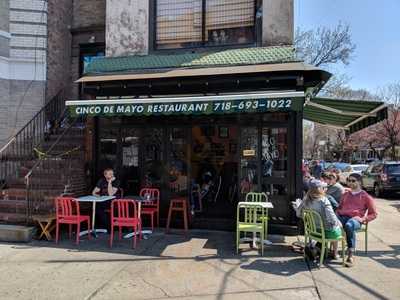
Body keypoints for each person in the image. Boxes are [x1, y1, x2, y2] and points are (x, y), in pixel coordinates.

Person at [336, 173, 377, 267]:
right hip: (342, 216)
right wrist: (336, 214)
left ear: (359, 182)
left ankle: (350, 253)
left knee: (349, 225)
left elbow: (374, 214)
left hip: (355, 219)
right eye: (349, 180)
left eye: (353, 181)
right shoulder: (345, 194)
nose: (350, 182)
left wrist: (363, 219)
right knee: (329, 221)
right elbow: (339, 208)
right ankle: (319, 248)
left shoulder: (366, 196)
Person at [295, 179, 342, 259]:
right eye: (322, 187)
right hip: (326, 232)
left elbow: (298, 214)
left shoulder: (305, 200)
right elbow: (332, 218)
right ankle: (335, 253)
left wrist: (307, 217)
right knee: (337, 228)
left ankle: (319, 249)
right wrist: (338, 224)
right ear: (319, 189)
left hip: (313, 231)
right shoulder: (324, 200)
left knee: (332, 227)